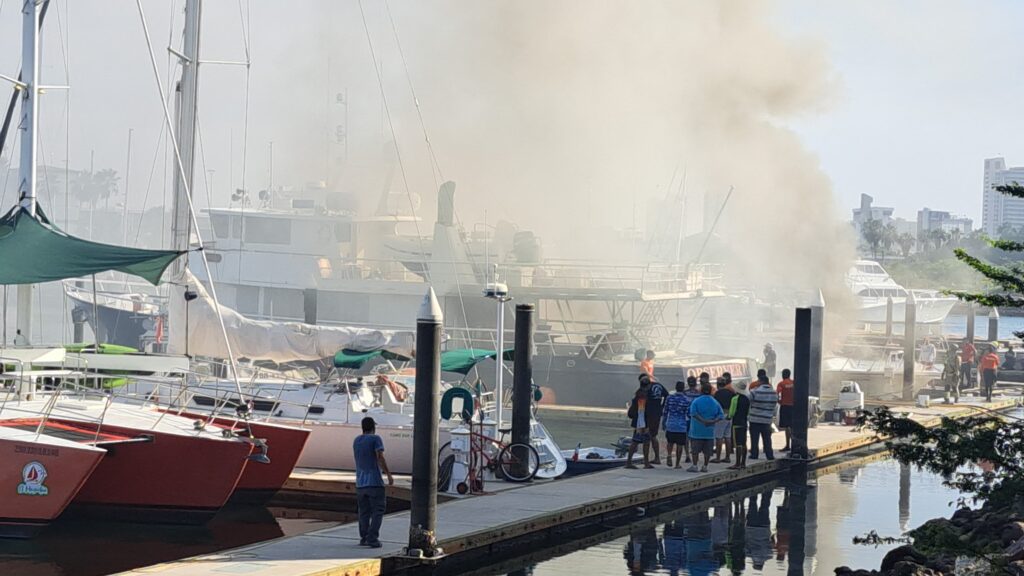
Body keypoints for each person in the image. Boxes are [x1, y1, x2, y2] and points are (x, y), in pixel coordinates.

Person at [353, 416, 394, 548]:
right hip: (374, 482)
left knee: (363, 512)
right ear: (373, 427)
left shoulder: (356, 441)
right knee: (378, 510)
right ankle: (373, 538)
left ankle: (364, 538)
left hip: (360, 483)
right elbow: (380, 457)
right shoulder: (376, 439)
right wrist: (388, 475)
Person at [688, 382, 725, 473]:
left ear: (701, 390)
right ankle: (705, 466)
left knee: (695, 450)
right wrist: (712, 421)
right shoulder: (715, 402)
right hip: (709, 431)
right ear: (711, 391)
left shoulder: (696, 401)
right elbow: (721, 415)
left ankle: (695, 465)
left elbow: (693, 413)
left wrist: (703, 421)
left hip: (696, 431)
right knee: (707, 451)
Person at [663, 381, 692, 468]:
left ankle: (669, 455)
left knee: (670, 442)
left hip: (670, 424)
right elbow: (688, 414)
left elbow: (665, 411)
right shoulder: (686, 400)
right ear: (683, 389)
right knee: (680, 444)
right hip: (681, 425)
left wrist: (664, 423)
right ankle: (677, 464)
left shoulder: (669, 398)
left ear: (676, 387)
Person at [748, 377, 778, 460]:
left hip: (755, 419)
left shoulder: (755, 391)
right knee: (767, 438)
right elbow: (775, 405)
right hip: (767, 419)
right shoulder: (774, 393)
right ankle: (769, 455)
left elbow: (748, 399)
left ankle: (754, 454)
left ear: (761, 381)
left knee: (754, 438)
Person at [626, 380, 653, 469]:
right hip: (641, 423)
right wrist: (643, 426)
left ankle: (631, 461)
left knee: (637, 442)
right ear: (648, 386)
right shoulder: (643, 395)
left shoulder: (638, 393)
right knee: (642, 442)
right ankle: (644, 462)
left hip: (639, 421)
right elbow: (641, 411)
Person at [644, 375, 667, 464]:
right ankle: (655, 457)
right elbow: (667, 395)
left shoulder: (647, 388)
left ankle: (648, 459)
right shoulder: (659, 386)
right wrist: (662, 406)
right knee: (653, 435)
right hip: (657, 412)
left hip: (649, 413)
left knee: (648, 436)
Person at [712, 376, 735, 464]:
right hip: (729, 415)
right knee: (728, 436)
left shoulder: (717, 394)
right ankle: (727, 457)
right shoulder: (731, 393)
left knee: (719, 437)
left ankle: (718, 457)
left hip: (721, 416)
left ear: (718, 385)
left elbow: (715, 406)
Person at [728, 381, 751, 470]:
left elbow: (732, 412)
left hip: (736, 423)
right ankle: (743, 463)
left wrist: (729, 416)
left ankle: (737, 463)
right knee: (744, 442)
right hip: (744, 422)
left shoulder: (735, 399)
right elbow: (748, 411)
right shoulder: (746, 399)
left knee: (738, 443)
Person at [775, 369, 795, 452]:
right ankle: (795, 444)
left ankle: (787, 445)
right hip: (794, 406)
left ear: (783, 375)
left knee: (787, 427)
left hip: (785, 406)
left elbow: (778, 395)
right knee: (793, 426)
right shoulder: (794, 383)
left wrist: (780, 402)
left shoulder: (781, 384)